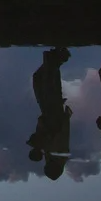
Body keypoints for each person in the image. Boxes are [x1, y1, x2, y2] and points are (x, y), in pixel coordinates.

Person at [27, 47, 72, 180]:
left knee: (40, 80)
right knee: (48, 83)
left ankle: (55, 59)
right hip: (53, 114)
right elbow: (58, 134)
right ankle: (57, 57)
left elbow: (43, 136)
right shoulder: (58, 153)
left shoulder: (52, 155)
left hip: (48, 114)